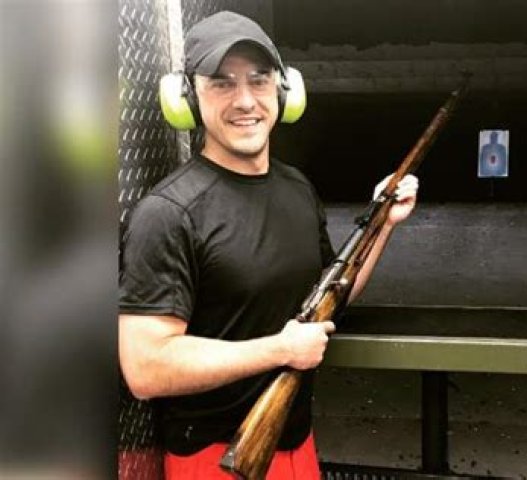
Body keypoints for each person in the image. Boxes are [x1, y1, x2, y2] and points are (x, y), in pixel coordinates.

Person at [118, 11, 418, 480]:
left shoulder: (295, 188)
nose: (245, 101)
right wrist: (280, 350)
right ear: (187, 98)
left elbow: (331, 293)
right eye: (222, 83)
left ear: (284, 91)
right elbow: (146, 368)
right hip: (216, 459)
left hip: (296, 442)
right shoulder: (167, 214)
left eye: (259, 80)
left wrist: (383, 223)